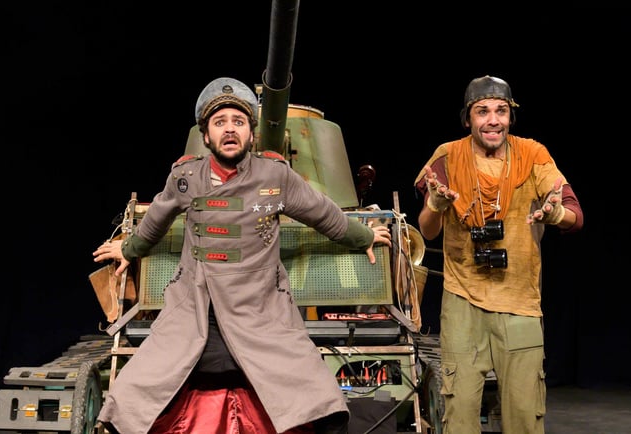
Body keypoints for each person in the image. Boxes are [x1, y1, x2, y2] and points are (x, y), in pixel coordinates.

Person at [93, 76, 392, 434]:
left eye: (238, 122)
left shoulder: (275, 175)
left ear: (251, 132)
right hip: (197, 305)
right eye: (220, 123)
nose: (230, 130)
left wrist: (364, 236)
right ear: (206, 136)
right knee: (129, 398)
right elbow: (156, 218)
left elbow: (323, 213)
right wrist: (128, 249)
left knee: (322, 401)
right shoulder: (186, 177)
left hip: (260, 305)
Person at [413, 75, 584, 433]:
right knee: (459, 415)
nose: (493, 120)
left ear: (511, 117)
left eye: (501, 111)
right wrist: (435, 203)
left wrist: (555, 214)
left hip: (519, 301)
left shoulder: (533, 155)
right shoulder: (448, 156)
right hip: (463, 300)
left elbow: (574, 216)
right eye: (483, 111)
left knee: (524, 415)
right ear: (468, 119)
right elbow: (428, 230)